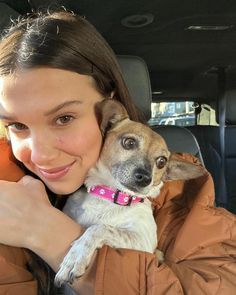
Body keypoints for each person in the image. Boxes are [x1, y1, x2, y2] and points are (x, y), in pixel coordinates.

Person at [0, 10, 235, 295]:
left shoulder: (190, 204)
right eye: (17, 125)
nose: (40, 155)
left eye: (64, 118)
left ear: (108, 114)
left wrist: (47, 235)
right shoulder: (9, 187)